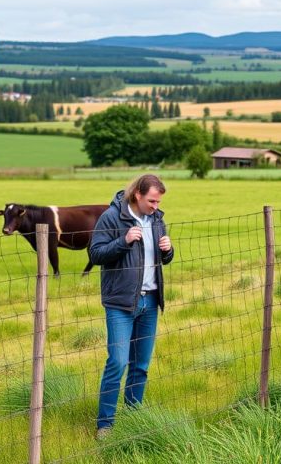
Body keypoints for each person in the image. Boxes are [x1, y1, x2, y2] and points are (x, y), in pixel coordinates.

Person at [88, 174, 174, 439]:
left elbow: (163, 258)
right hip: (121, 303)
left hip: (150, 300)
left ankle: (134, 416)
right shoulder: (112, 218)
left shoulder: (157, 220)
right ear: (137, 194)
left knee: (141, 365)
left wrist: (169, 250)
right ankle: (106, 424)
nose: (155, 206)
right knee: (117, 362)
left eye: (158, 201)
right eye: (151, 201)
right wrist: (123, 241)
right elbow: (95, 254)